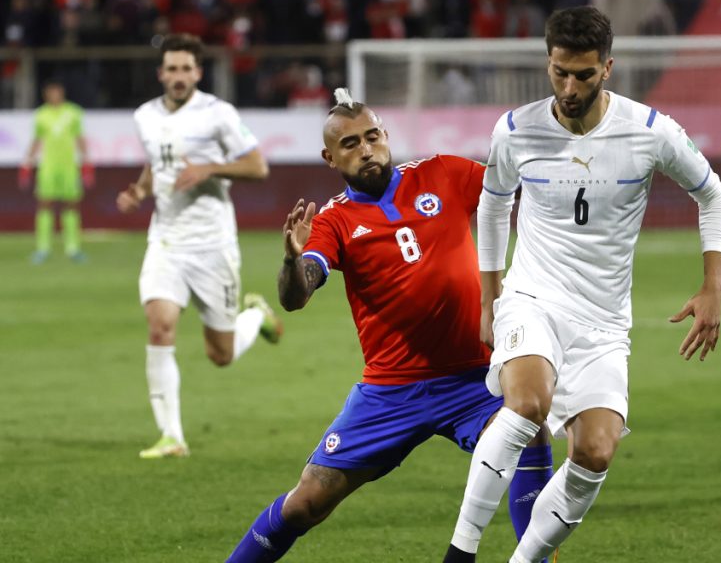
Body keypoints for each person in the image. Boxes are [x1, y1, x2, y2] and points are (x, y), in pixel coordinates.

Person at [444, 6, 721, 563]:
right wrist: (490, 294)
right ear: (547, 63)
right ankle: (461, 552)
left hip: (602, 320)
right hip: (533, 297)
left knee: (596, 452)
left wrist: (713, 284)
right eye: (559, 73)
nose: (568, 88)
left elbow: (712, 195)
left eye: (582, 75)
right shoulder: (516, 128)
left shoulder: (650, 132)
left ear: (608, 69)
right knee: (527, 405)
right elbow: (493, 204)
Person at [225, 89, 554, 562]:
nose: (365, 149)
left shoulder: (442, 172)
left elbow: (518, 194)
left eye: (372, 136)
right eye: (350, 144)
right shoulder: (333, 221)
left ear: (385, 135)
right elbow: (296, 296)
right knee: (307, 503)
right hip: (391, 391)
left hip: (475, 377)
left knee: (529, 432)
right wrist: (292, 262)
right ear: (329, 157)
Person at [115, 33, 282, 459]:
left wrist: (210, 168)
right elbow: (158, 161)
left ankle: (253, 315)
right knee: (159, 324)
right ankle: (172, 436)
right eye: (171, 69)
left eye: (186, 69)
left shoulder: (218, 114)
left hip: (213, 244)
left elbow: (257, 165)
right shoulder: (144, 116)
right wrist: (138, 191)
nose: (178, 76)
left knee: (220, 354)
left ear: (198, 73)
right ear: (160, 74)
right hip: (167, 238)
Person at [19, 80, 93, 264]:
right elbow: (36, 140)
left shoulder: (73, 112)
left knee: (71, 204)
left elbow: (80, 138)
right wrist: (27, 164)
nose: (55, 96)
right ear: (46, 95)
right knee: (45, 204)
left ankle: (73, 248)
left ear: (62, 93)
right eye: (51, 93)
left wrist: (86, 163)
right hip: (48, 167)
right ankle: (43, 248)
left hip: (68, 166)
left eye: (57, 92)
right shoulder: (41, 115)